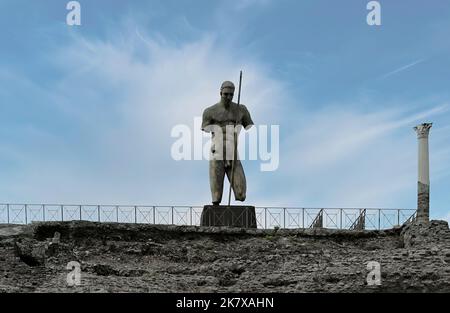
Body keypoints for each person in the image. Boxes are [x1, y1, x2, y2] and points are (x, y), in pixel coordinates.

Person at [201, 81, 254, 205]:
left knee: (241, 194)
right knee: (216, 198)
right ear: (220, 93)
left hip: (233, 152)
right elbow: (206, 128)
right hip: (217, 151)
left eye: (231, 94)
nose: (229, 97)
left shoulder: (241, 110)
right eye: (226, 94)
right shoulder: (210, 111)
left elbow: (248, 125)